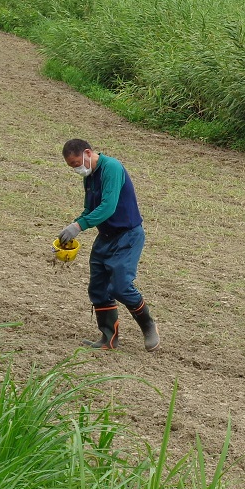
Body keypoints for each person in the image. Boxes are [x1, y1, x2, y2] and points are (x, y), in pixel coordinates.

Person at [58, 138, 159, 351]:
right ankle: (108, 338)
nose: (76, 169)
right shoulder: (90, 177)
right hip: (105, 236)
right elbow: (89, 210)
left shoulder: (111, 168)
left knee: (121, 286)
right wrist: (69, 231)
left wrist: (78, 226)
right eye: (71, 167)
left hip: (128, 236)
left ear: (87, 152)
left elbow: (108, 207)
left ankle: (148, 325)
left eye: (77, 164)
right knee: (98, 287)